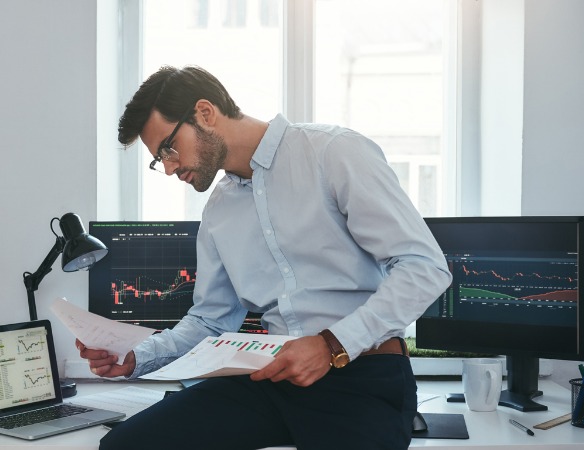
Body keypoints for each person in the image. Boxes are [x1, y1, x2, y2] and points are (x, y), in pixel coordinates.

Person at [76, 65, 452, 450]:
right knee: (124, 446)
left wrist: (330, 344)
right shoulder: (219, 210)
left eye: (168, 149)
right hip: (270, 378)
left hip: (361, 376)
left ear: (205, 113)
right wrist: (138, 357)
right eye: (160, 160)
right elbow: (211, 320)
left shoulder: (333, 153)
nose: (169, 168)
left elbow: (424, 268)